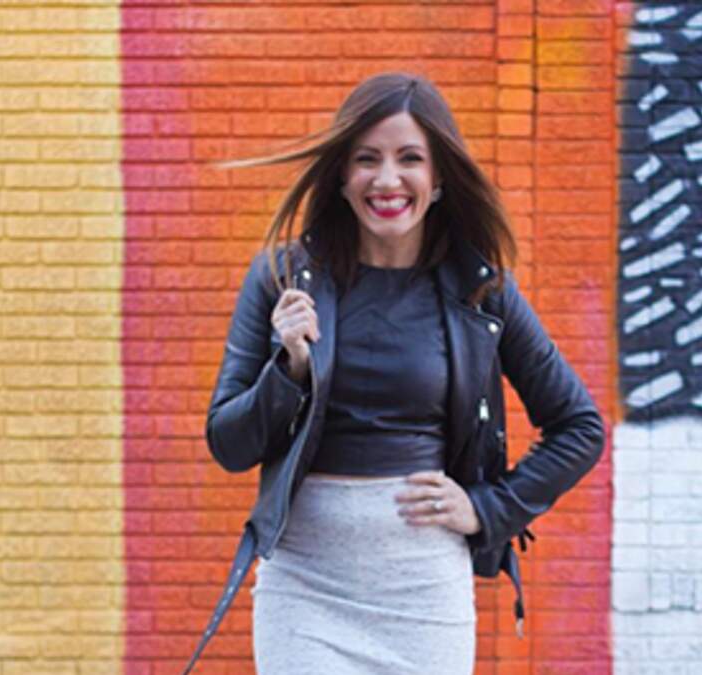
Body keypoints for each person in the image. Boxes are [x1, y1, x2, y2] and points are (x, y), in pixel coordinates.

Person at [184, 72, 605, 674]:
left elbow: (579, 426)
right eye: (366, 159)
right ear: (341, 176)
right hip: (304, 588)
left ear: (438, 179)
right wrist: (290, 368)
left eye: (410, 159)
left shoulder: (481, 292)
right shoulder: (282, 278)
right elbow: (229, 444)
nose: (387, 180)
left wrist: (487, 509)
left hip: (423, 593)